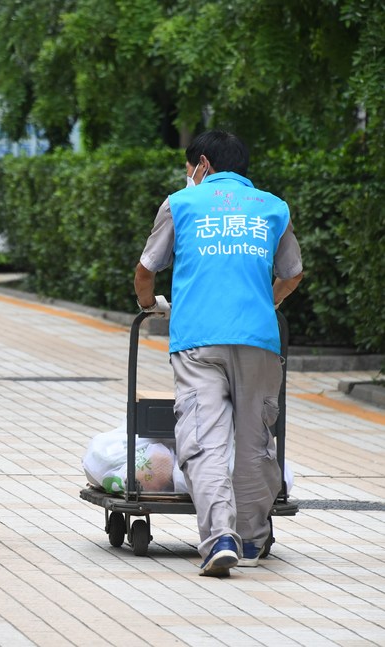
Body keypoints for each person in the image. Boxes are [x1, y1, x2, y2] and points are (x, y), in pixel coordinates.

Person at [133, 130, 303, 577]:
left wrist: (149, 307)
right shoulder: (273, 207)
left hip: (197, 342)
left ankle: (219, 538)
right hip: (259, 342)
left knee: (204, 441)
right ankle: (250, 538)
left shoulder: (181, 203)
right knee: (254, 443)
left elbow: (145, 271)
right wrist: (266, 304)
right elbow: (293, 273)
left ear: (202, 164)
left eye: (190, 168)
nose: (188, 175)